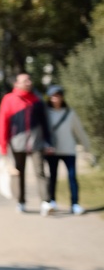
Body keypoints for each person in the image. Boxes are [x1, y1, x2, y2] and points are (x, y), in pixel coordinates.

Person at [0, 72, 53, 214]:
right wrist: (3, 148)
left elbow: (45, 123)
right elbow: (2, 123)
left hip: (36, 142)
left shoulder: (37, 100)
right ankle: (20, 201)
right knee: (18, 173)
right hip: (17, 143)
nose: (28, 82)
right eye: (24, 80)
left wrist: (49, 141)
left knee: (40, 171)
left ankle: (45, 202)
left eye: (29, 80)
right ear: (16, 84)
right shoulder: (9, 100)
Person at [45, 85, 96, 215]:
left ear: (62, 97)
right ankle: (52, 202)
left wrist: (87, 148)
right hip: (52, 151)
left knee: (72, 177)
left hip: (69, 151)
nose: (55, 98)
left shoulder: (70, 113)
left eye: (58, 95)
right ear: (49, 98)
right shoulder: (46, 113)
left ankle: (75, 204)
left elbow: (80, 132)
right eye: (53, 96)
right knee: (52, 177)